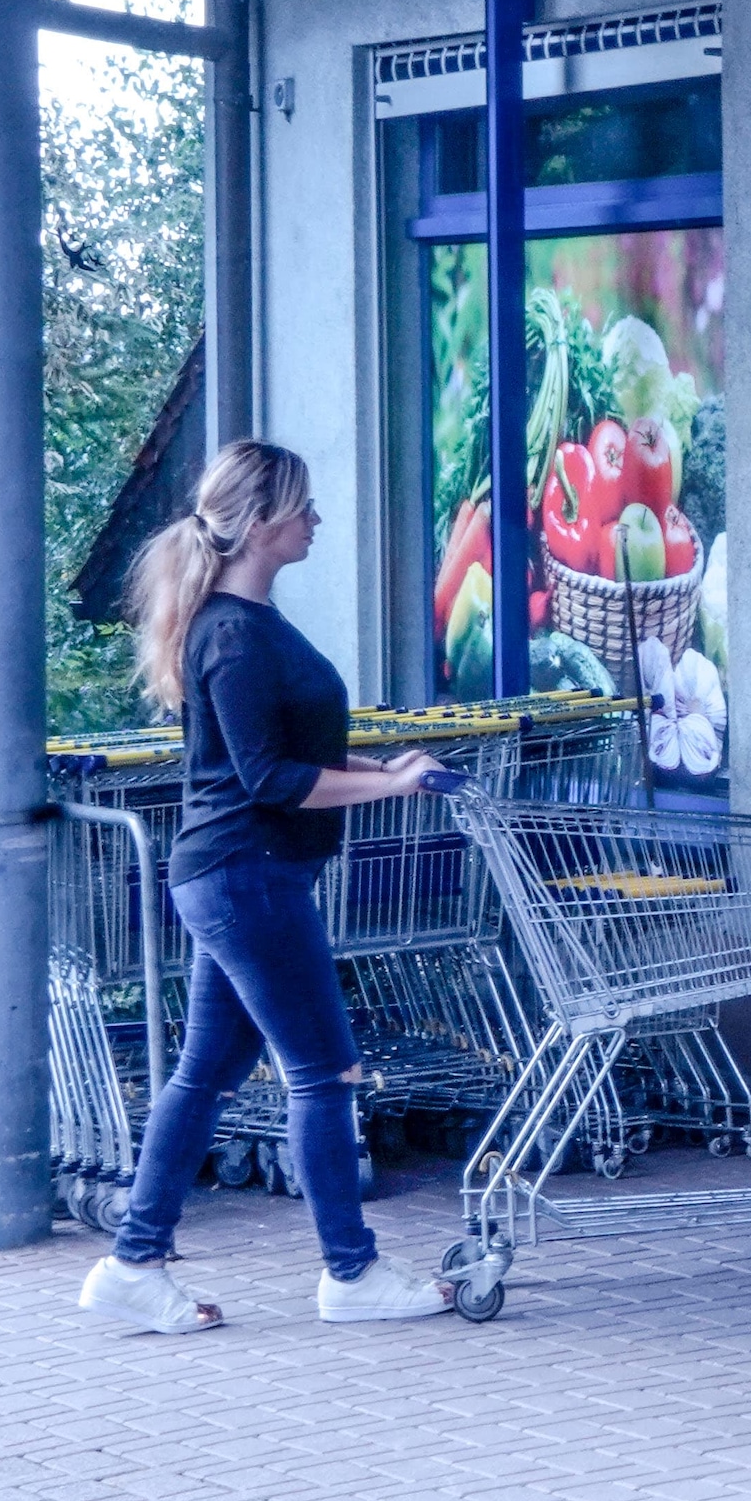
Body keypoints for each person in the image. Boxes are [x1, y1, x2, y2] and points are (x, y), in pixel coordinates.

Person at [78, 441, 451, 1328]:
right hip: (249, 876)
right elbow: (269, 781)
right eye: (304, 507)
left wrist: (381, 767)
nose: (316, 518)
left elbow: (291, 758)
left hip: (239, 874)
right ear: (259, 522)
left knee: (209, 1071)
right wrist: (391, 785)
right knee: (325, 1071)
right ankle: (351, 1275)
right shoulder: (236, 634)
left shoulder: (239, 621)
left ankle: (134, 1264)